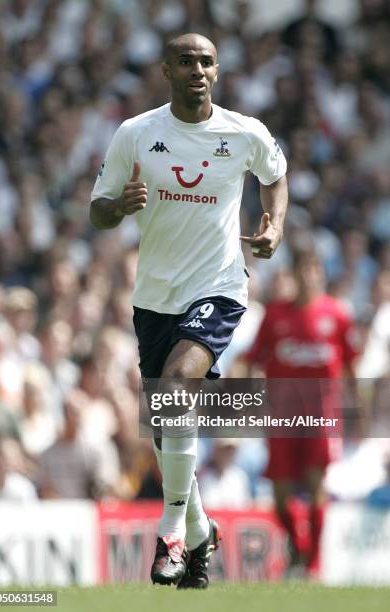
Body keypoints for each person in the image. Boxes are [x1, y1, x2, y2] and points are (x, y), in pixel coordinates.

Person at [90, 33, 288, 588]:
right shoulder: (137, 134)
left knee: (178, 385)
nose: (196, 69)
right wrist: (118, 207)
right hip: (154, 297)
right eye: (185, 61)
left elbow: (276, 177)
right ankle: (202, 530)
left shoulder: (244, 132)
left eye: (205, 61)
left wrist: (275, 224)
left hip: (219, 286)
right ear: (166, 71)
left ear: (217, 72)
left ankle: (172, 533)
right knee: (165, 422)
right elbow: (98, 209)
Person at [242, 244, 360, 575]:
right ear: (294, 275)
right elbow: (254, 360)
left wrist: (358, 413)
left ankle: (312, 564)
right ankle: (297, 544)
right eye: (303, 271)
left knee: (315, 485)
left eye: (315, 270)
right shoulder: (276, 315)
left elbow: (352, 367)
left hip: (322, 415)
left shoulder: (336, 316)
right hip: (282, 416)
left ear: (321, 275)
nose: (309, 277)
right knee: (280, 495)